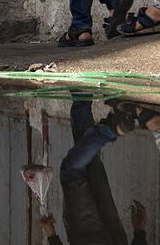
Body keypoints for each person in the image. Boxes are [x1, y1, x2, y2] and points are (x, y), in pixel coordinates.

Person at [39, 98, 147, 245]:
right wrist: (51, 234)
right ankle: (111, 128)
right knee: (71, 172)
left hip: (116, 239)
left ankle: (83, 100)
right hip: (86, 235)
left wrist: (139, 233)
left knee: (88, 157)